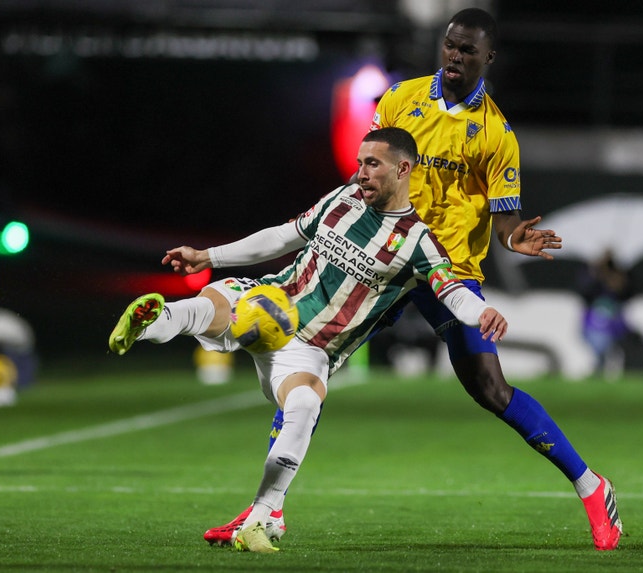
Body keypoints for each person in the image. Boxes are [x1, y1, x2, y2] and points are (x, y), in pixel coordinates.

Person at [205, 8, 622, 551]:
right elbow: (370, 170)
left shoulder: (495, 134)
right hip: (384, 256)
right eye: (450, 45)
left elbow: (505, 216)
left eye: (467, 49)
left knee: (490, 390)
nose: (454, 55)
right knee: (309, 351)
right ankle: (268, 510)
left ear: (487, 58)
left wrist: (513, 236)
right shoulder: (401, 99)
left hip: (443, 267)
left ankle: (592, 487)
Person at [109, 127, 508, 553]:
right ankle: (151, 322)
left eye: (372, 164)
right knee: (213, 304)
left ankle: (260, 518)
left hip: (311, 349)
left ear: (403, 168)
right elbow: (283, 236)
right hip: (272, 303)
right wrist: (208, 257)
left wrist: (480, 311)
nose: (362, 173)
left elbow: (452, 291)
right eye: (360, 163)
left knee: (303, 407)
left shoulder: (418, 243)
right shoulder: (342, 199)